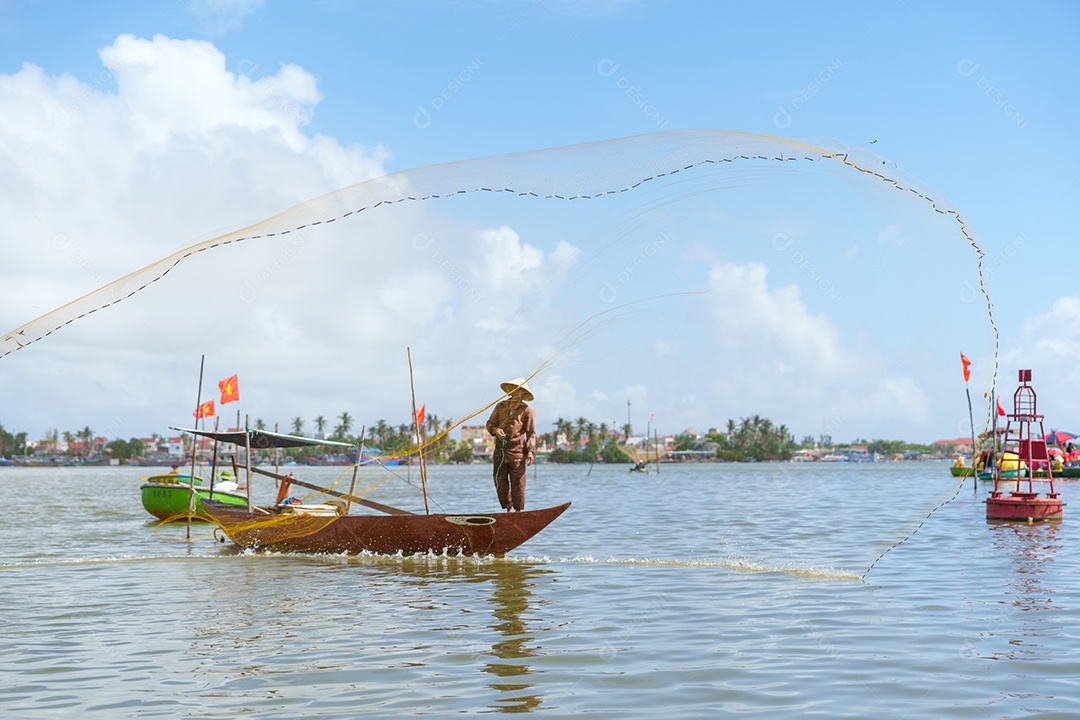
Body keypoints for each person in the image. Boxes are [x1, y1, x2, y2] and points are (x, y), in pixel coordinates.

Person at [486, 377, 536, 512]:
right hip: (500, 452)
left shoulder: (526, 410)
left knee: (518, 484)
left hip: (518, 452)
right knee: (500, 480)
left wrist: (530, 451)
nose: (516, 393)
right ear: (510, 391)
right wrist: (496, 430)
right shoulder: (500, 406)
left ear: (523, 394)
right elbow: (490, 424)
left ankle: (518, 511)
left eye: (520, 391)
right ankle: (509, 508)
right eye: (514, 390)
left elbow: (531, 432)